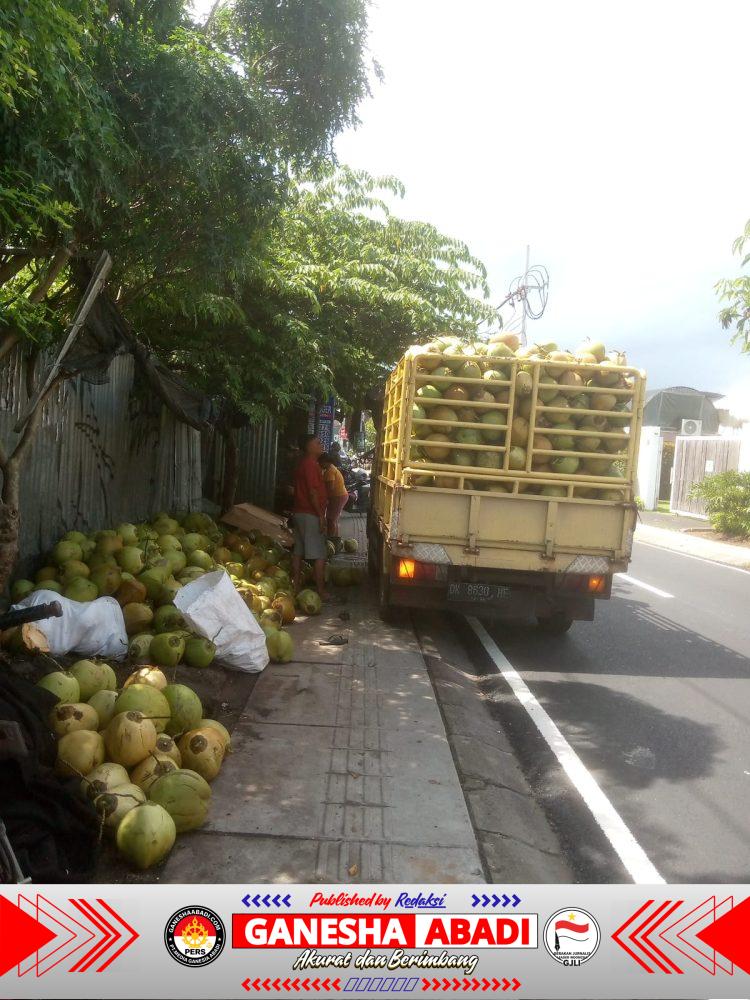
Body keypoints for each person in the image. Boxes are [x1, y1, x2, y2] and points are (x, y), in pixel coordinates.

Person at [291, 434, 329, 599]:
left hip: (300, 513)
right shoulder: (311, 465)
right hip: (310, 514)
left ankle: (296, 588)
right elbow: (313, 493)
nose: (321, 444)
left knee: (298, 552)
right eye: (317, 442)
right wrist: (321, 516)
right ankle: (320, 591)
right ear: (308, 447)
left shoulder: (304, 464)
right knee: (319, 555)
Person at [319, 452, 349, 547]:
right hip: (339, 496)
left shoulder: (330, 471)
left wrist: (324, 498)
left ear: (325, 461)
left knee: (331, 520)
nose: (320, 464)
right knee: (333, 519)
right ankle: (335, 542)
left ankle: (331, 542)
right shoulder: (331, 468)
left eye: (321, 462)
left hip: (338, 497)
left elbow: (330, 488)